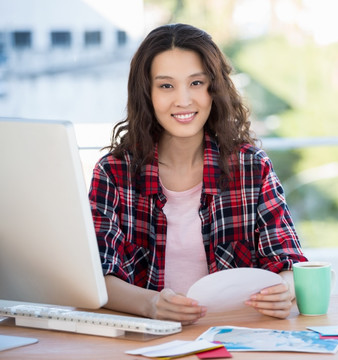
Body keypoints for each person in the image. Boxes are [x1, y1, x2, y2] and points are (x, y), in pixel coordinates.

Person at [88, 23, 307, 325]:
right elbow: (96, 278)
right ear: (146, 94)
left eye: (196, 83)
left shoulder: (252, 167)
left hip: (238, 338)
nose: (183, 100)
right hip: (147, 343)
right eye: (166, 86)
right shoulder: (113, 173)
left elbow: (289, 261)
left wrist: (285, 289)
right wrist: (151, 304)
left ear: (214, 88)